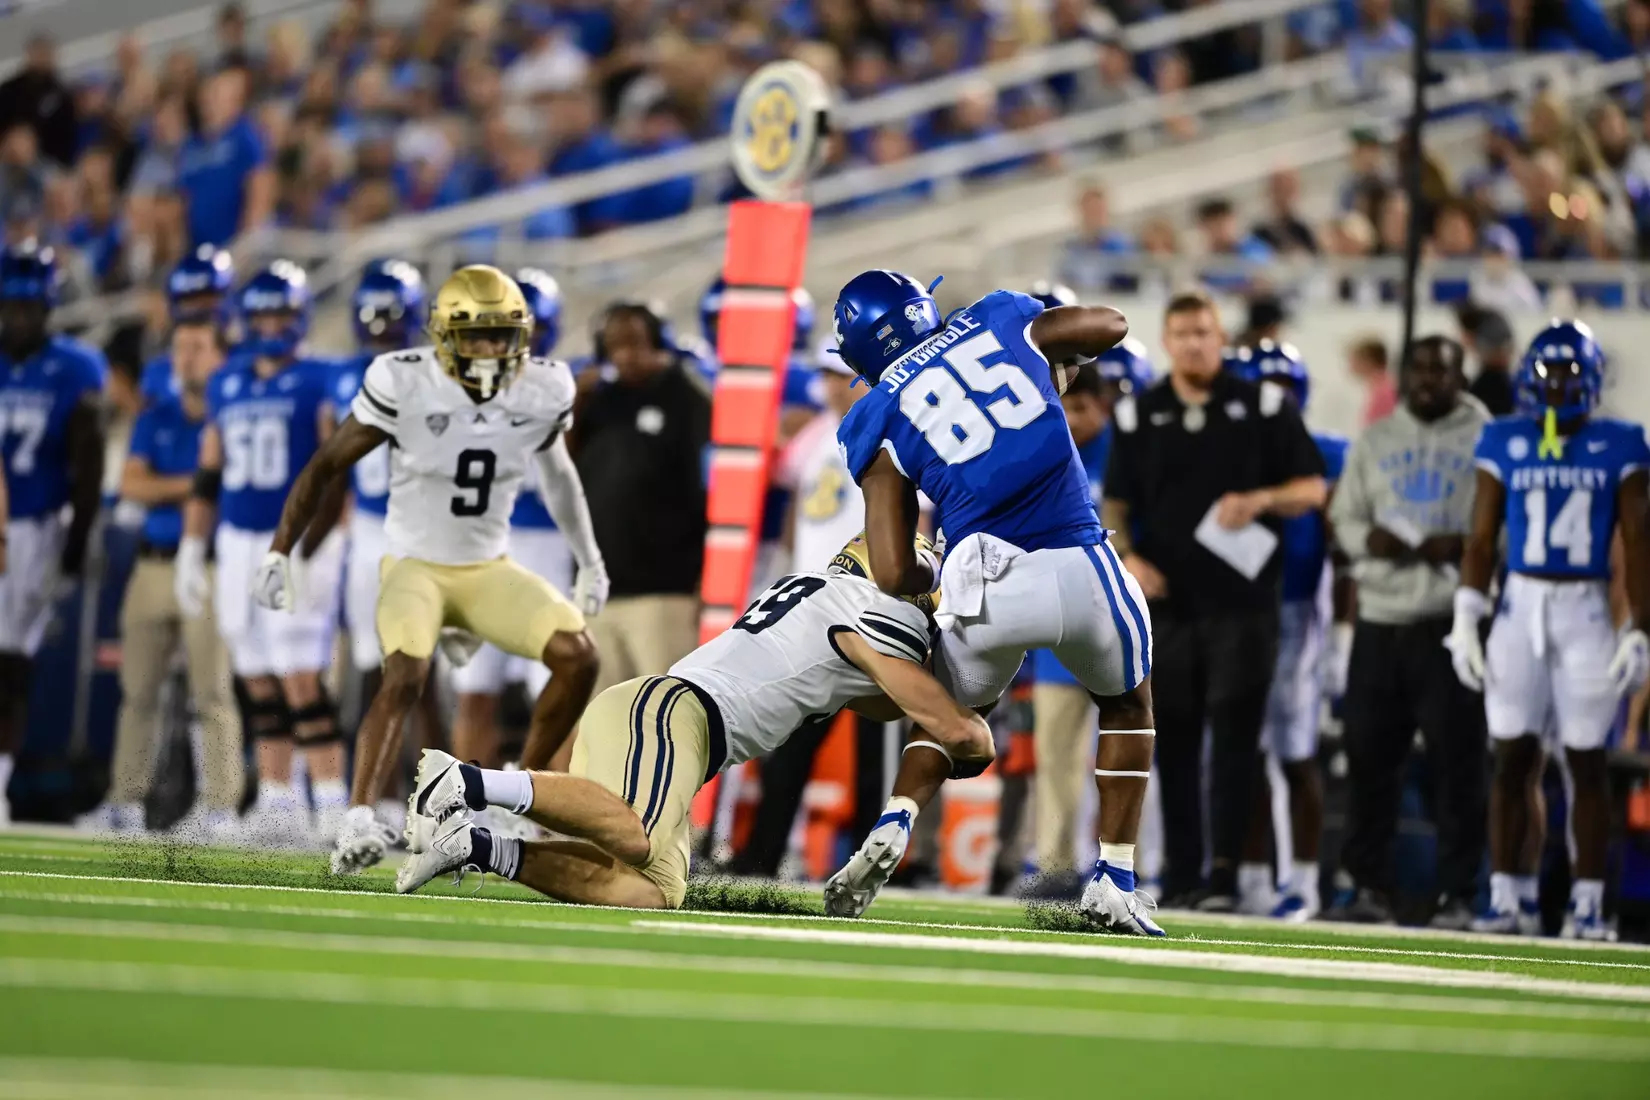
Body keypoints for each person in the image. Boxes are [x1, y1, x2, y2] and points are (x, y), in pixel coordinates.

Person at [824, 269, 1163, 935]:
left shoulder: (874, 415)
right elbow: (1111, 326)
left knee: (948, 717)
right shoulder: (995, 319)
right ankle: (1115, 881)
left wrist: (935, 579)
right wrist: (1051, 360)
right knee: (1128, 704)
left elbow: (893, 569)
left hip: (982, 583)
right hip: (1077, 560)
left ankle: (898, 816)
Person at [394, 534, 990, 909]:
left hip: (660, 717)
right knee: (636, 836)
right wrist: (976, 712)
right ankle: (466, 783)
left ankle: (472, 845)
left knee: (650, 890)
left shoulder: (822, 596)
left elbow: (891, 704)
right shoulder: (866, 609)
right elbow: (951, 727)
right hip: (675, 713)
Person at [260, 264, 606, 875]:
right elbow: (324, 465)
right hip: (416, 565)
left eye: (502, 335)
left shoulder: (543, 387)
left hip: (486, 569)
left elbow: (559, 479)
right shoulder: (403, 380)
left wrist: (590, 560)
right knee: (404, 675)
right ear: (444, 336)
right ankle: (359, 817)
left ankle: (507, 799)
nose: (491, 350)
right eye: (476, 335)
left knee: (579, 655)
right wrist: (281, 548)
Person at [1103, 291, 1327, 911]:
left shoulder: (1263, 405)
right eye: (1182, 333)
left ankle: (1226, 875)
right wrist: (1128, 559)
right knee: (1170, 739)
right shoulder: (1139, 414)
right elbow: (1114, 503)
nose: (1194, 343)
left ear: (1220, 336)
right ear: (1167, 341)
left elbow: (1312, 488)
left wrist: (1258, 501)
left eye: (1203, 331)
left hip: (1245, 605)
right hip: (1168, 607)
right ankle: (1180, 872)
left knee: (1235, 740)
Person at [1449, 322, 1649, 941]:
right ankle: (1509, 895)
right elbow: (1481, 537)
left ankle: (1590, 903)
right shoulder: (1503, 436)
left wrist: (1639, 626)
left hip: (1586, 606)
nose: (1559, 385)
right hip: (1519, 602)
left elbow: (1638, 540)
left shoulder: (1621, 441)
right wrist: (1466, 614)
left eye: (1570, 374)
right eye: (1550, 373)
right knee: (1512, 758)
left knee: (1587, 763)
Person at [177, 261, 349, 849]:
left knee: (300, 672)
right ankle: (278, 802)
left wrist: (310, 547)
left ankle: (330, 801)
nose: (272, 323)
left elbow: (335, 472)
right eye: (264, 314)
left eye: (281, 313)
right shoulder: (227, 381)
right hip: (237, 537)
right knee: (253, 670)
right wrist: (192, 544)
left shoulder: (320, 379)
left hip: (293, 537)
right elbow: (208, 470)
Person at [1328, 334, 1488, 927]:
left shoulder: (1485, 438)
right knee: (1369, 760)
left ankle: (1459, 893)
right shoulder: (1376, 438)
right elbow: (1344, 515)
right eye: (1418, 369)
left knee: (1458, 765)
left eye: (1439, 370)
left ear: (1460, 375)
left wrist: (1467, 547)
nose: (1427, 379)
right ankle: (1366, 887)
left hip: (1453, 623)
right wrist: (1369, 540)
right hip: (1380, 617)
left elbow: (1504, 525)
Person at [87, 315, 241, 838]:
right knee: (138, 691)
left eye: (198, 346)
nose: (186, 357)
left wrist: (175, 486)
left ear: (220, 356)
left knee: (212, 691)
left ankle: (220, 806)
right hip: (153, 562)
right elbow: (132, 484)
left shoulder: (233, 414)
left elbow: (232, 490)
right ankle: (125, 800)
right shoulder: (159, 415)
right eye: (180, 348)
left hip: (213, 563)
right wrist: (199, 484)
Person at [1026, 332, 1154, 894]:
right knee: (1055, 755)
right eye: (1066, 407)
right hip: (1059, 634)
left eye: (1081, 407)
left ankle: (1131, 867)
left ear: (1102, 405)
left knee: (1128, 756)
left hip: (1118, 627)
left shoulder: (1128, 456)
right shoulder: (1047, 454)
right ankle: (1054, 866)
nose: (1073, 418)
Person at [1226, 341, 1349, 921]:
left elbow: (1343, 550)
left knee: (1294, 753)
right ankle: (1250, 878)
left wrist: (1341, 639)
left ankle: (1301, 882)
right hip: (1235, 615)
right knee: (1242, 754)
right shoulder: (1224, 453)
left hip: (1300, 614)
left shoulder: (1326, 454)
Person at [449, 268, 574, 778]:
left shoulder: (569, 382)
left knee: (551, 687)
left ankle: (547, 811)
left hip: (546, 543)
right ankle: (457, 808)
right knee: (474, 688)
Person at [0, 240, 106, 824]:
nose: (16, 319)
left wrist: (72, 544)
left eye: (25, 308)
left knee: (12, 662)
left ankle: (0, 781)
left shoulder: (75, 367)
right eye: (9, 307)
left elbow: (87, 466)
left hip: (33, 528)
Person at [332, 258, 431, 820]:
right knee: (370, 665)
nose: (378, 328)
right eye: (370, 317)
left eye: (389, 317)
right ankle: (374, 793)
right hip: (368, 527)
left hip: (417, 532)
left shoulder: (435, 374)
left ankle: (419, 792)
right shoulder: (340, 375)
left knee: (417, 668)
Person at [571, 302, 711, 695]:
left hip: (663, 590)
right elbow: (558, 465)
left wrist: (704, 578)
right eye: (613, 345)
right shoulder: (597, 401)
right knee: (600, 719)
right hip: (598, 590)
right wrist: (576, 403)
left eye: (634, 342)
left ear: (659, 341)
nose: (625, 354)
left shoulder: (687, 399)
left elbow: (710, 493)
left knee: (668, 710)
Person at [177, 67, 273, 249]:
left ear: (234, 102)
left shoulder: (245, 136)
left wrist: (247, 242)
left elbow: (259, 186)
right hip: (201, 247)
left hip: (235, 246)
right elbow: (185, 198)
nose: (209, 101)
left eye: (216, 95)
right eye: (207, 94)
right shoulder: (191, 145)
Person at [140, 246, 237, 406]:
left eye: (206, 301)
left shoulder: (251, 362)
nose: (197, 312)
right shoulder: (159, 372)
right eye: (190, 302)